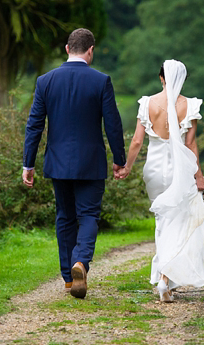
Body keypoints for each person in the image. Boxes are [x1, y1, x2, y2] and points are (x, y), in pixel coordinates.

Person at [118, 59, 204, 302]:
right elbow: (190, 144)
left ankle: (166, 281)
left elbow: (137, 142)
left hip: (154, 169)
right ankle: (165, 278)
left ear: (161, 78)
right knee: (179, 223)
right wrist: (199, 176)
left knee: (163, 221)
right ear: (181, 80)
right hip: (179, 170)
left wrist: (126, 166)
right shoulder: (189, 105)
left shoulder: (147, 103)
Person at [22, 28, 126, 299]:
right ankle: (81, 261)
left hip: (57, 163)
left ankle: (69, 278)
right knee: (89, 215)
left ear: (67, 49)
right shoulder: (101, 81)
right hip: (90, 163)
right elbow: (113, 125)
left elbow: (34, 125)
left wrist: (28, 163)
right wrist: (119, 160)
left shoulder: (45, 81)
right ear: (90, 50)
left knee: (65, 217)